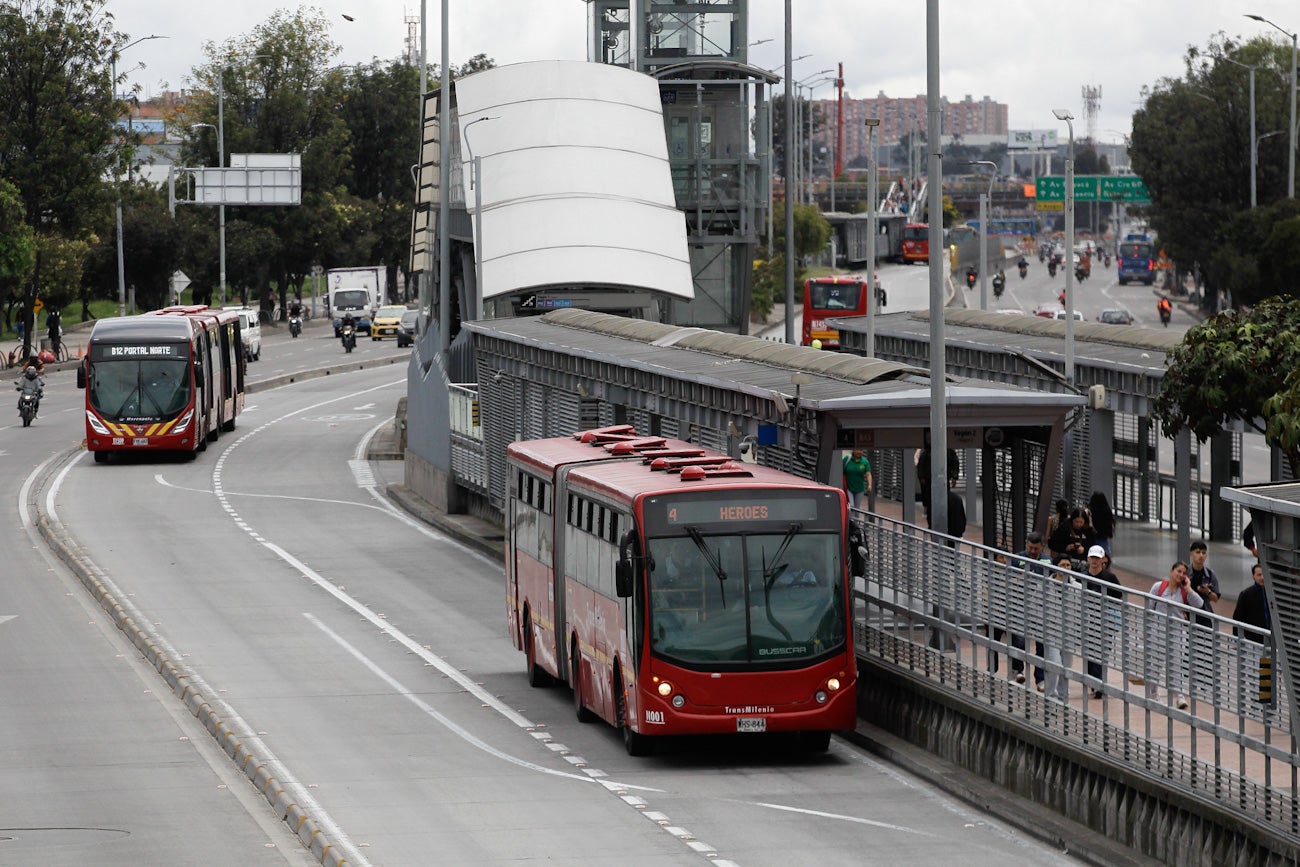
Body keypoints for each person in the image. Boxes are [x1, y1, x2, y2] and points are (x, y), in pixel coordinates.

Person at [1144, 561, 1206, 709]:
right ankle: (1154, 694)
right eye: (1178, 571)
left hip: (1178, 632)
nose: (1181, 575)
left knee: (1177, 665)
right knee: (1156, 665)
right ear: (1171, 571)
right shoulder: (1158, 587)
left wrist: (1189, 588)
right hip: (1157, 630)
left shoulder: (1184, 591)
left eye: (1184, 573)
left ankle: (1179, 696)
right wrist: (1145, 630)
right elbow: (1149, 608)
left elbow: (1199, 604)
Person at [1008, 532, 1050, 690]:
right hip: (1020, 604)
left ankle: (1040, 678)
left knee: (1041, 645)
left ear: (1042, 547)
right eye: (1030, 548)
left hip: (1040, 608)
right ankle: (1017, 670)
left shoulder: (1047, 560)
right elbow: (1009, 578)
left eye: (1036, 549)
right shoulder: (1017, 558)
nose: (1033, 551)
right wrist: (1020, 579)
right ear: (1026, 544)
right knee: (1018, 639)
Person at [1082, 545, 1123, 699]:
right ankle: (1094, 680)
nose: (1094, 561)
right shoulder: (1083, 576)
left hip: (1105, 622)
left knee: (1101, 652)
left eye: (1097, 558)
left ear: (1103, 560)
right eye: (1092, 558)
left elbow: (1118, 596)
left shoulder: (1110, 578)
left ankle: (1099, 683)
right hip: (1087, 621)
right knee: (1089, 652)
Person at [1042, 555, 1081, 702]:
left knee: (1066, 668)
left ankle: (1063, 699)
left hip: (1069, 633)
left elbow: (1082, 610)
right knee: (1054, 664)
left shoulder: (1078, 587)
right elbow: (1035, 605)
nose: (1065, 568)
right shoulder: (1045, 585)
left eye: (1068, 565)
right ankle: (1051, 696)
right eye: (1062, 565)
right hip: (1051, 631)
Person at [1187, 540, 1220, 629]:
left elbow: (1216, 598)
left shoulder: (1210, 574)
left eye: (1203, 553)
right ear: (1191, 554)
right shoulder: (1185, 573)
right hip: (1187, 613)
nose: (1201, 555)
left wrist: (1207, 591)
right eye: (1197, 552)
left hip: (1204, 615)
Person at [1232, 563, 1269, 641]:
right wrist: (1236, 638)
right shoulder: (1246, 594)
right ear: (1253, 576)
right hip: (1253, 638)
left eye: (1264, 574)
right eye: (1259, 575)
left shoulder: (1271, 594)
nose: (1262, 577)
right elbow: (1238, 617)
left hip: (1270, 637)